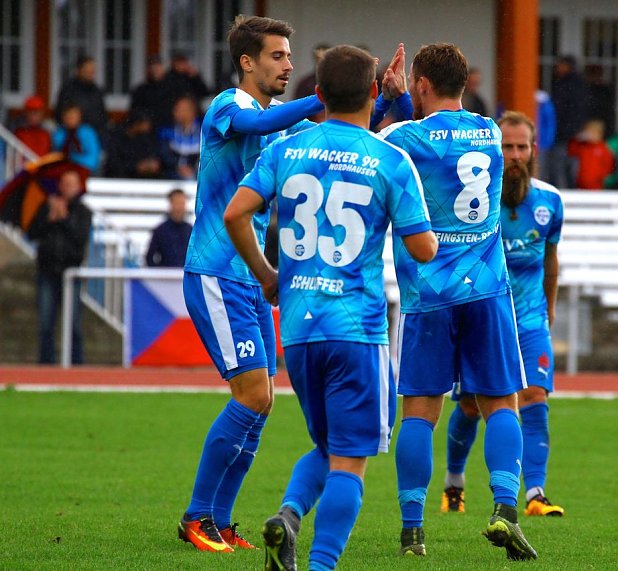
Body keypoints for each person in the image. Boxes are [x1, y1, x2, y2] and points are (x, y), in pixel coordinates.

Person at [225, 43, 436, 571]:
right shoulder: (390, 159)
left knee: (326, 444)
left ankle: (291, 515)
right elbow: (423, 248)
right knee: (351, 459)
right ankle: (319, 565)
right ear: (372, 92)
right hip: (357, 328)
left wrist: (267, 274)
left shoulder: (288, 147)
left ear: (316, 94)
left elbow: (236, 213)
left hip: (298, 329)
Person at [379, 42, 537, 561]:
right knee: (501, 404)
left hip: (428, 296)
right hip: (489, 290)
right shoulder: (491, 133)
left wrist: (390, 101)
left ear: (421, 84)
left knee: (420, 414)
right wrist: (411, 102)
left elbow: (389, 148)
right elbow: (444, 143)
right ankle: (506, 510)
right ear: (465, 83)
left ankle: (411, 532)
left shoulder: (403, 137)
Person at [177, 14, 328, 554]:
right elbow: (260, 126)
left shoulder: (281, 121)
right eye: (278, 56)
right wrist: (318, 96)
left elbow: (338, 129)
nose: (288, 64)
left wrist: (378, 99)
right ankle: (196, 517)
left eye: (290, 56)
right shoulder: (228, 106)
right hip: (216, 273)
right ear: (248, 62)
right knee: (254, 394)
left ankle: (219, 522)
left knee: (263, 403)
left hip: (248, 279)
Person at [441, 110, 565, 518]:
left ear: (532, 151)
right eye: (506, 146)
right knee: (472, 407)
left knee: (534, 397)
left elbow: (550, 261)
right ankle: (454, 484)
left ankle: (535, 494)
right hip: (485, 318)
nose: (513, 155)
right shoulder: (477, 201)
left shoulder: (550, 202)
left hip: (530, 320)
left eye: (521, 147)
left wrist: (547, 311)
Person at [27, 169, 92, 364]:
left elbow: (80, 238)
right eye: (64, 183)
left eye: (72, 184)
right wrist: (50, 219)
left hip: (71, 273)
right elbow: (32, 233)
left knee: (74, 325)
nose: (67, 188)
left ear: (79, 188)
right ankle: (46, 365)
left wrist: (63, 219)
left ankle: (77, 365)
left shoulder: (83, 211)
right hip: (47, 271)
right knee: (46, 323)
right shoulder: (46, 207)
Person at [549, 55, 589, 189]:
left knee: (560, 169)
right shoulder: (578, 85)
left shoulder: (566, 86)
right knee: (569, 170)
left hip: (564, 135)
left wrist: (563, 130)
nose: (557, 68)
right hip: (572, 134)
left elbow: (563, 110)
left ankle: (562, 195)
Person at [55, 55, 108, 138]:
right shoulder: (68, 89)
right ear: (78, 71)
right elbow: (60, 114)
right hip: (72, 134)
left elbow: (103, 116)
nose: (90, 74)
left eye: (92, 71)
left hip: (96, 133)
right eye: (87, 71)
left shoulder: (97, 90)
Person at [103, 110, 164, 178]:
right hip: (118, 178)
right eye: (146, 123)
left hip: (141, 178)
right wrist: (135, 167)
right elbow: (113, 163)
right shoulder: (116, 137)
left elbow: (152, 155)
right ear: (137, 124)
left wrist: (150, 164)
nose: (149, 126)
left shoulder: (145, 138)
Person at [146, 189, 192, 267]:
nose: (179, 208)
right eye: (177, 203)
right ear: (170, 204)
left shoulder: (191, 231)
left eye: (182, 203)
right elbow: (149, 258)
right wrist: (160, 274)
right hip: (166, 276)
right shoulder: (160, 231)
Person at [159, 95, 202, 180]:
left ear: (192, 111)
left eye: (182, 109)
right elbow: (164, 156)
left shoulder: (206, 132)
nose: (176, 112)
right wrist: (177, 167)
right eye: (176, 109)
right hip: (172, 179)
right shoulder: (166, 132)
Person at [52, 103, 102, 173]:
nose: (71, 119)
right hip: (62, 172)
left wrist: (72, 159)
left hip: (85, 170)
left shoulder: (88, 133)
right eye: (68, 116)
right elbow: (55, 158)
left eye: (74, 116)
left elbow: (93, 161)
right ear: (63, 118)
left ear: (80, 117)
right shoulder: (59, 134)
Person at [567, 119, 614, 190]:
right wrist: (578, 138)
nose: (590, 135)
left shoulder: (603, 148)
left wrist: (600, 178)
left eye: (593, 132)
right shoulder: (582, 146)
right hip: (580, 184)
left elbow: (608, 166)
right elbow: (571, 151)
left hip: (596, 186)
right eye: (588, 132)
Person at [130, 54, 171, 130]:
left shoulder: (172, 89)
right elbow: (135, 110)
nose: (155, 69)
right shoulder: (141, 90)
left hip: (167, 129)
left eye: (157, 66)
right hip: (147, 130)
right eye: (152, 66)